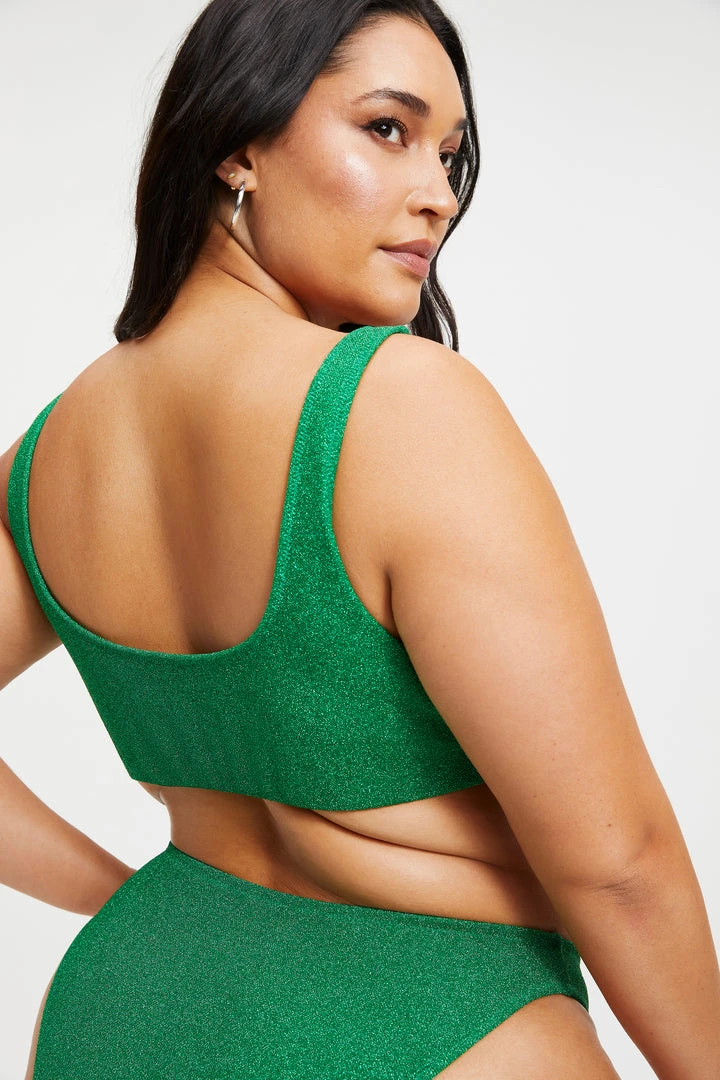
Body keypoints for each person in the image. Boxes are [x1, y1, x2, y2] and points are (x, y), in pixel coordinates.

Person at [1, 0, 718, 1076]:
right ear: (239, 143)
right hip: (438, 1022)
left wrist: (126, 905)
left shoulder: (52, 450)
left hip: (128, 1009)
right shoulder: (397, 407)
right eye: (388, 128)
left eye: (450, 154)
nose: (438, 194)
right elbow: (621, 869)